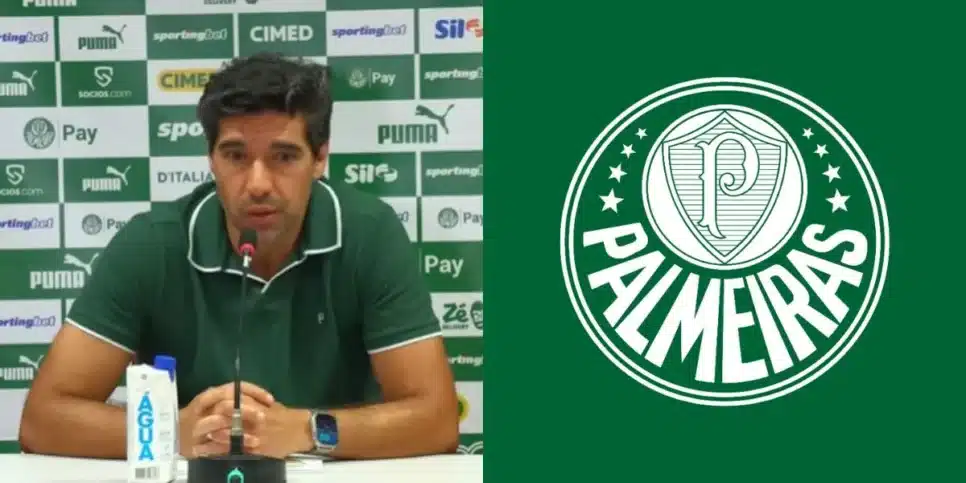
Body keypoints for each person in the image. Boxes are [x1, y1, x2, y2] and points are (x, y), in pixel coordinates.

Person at [18, 52, 460, 460]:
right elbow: (43, 420)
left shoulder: (369, 233)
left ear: (320, 158)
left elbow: (438, 420)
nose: (258, 184)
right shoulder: (151, 243)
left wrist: (307, 430)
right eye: (235, 156)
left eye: (284, 156)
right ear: (211, 159)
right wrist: (171, 431)